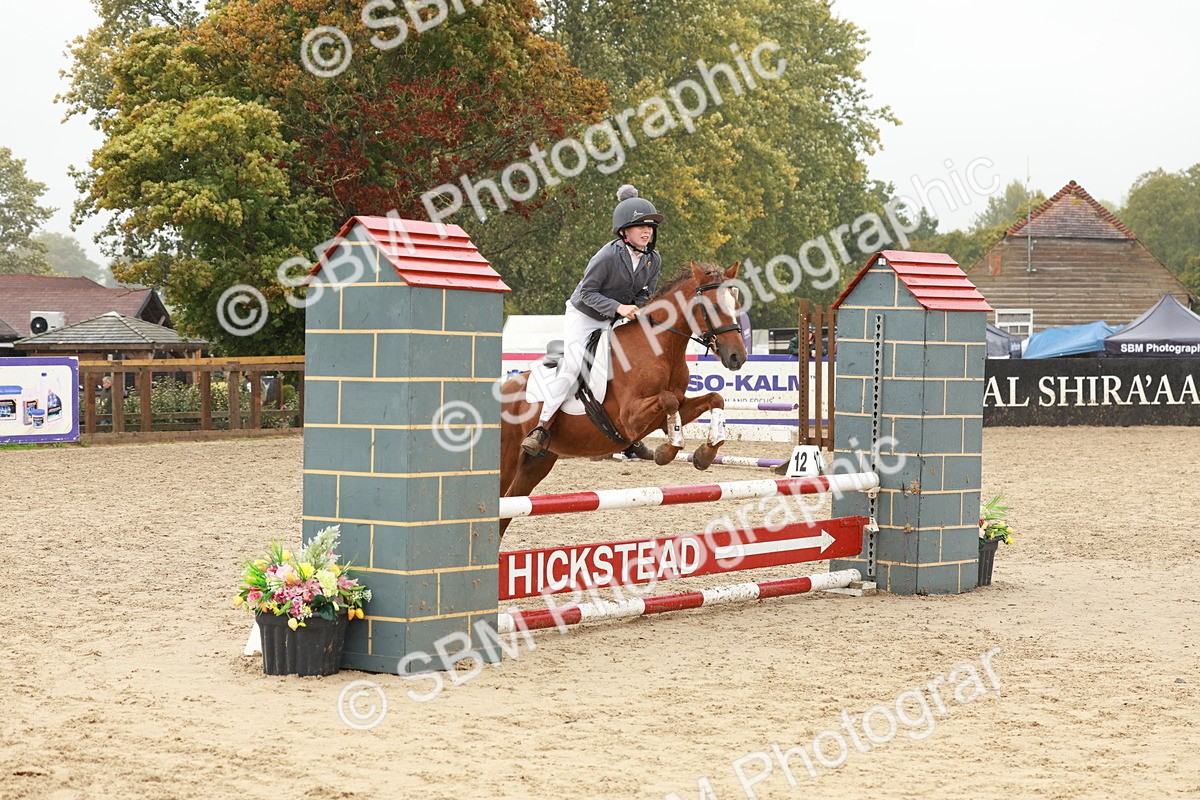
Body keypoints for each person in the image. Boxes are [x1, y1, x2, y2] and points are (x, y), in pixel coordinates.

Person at [522, 185, 664, 457]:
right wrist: (619, 307)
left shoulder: (652, 260)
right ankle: (542, 426)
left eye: (650, 227)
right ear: (624, 231)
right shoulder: (608, 256)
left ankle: (630, 433)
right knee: (576, 363)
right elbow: (587, 293)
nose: (647, 232)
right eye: (640, 227)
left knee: (629, 362)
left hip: (615, 317)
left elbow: (644, 293)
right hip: (584, 315)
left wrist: (641, 310)